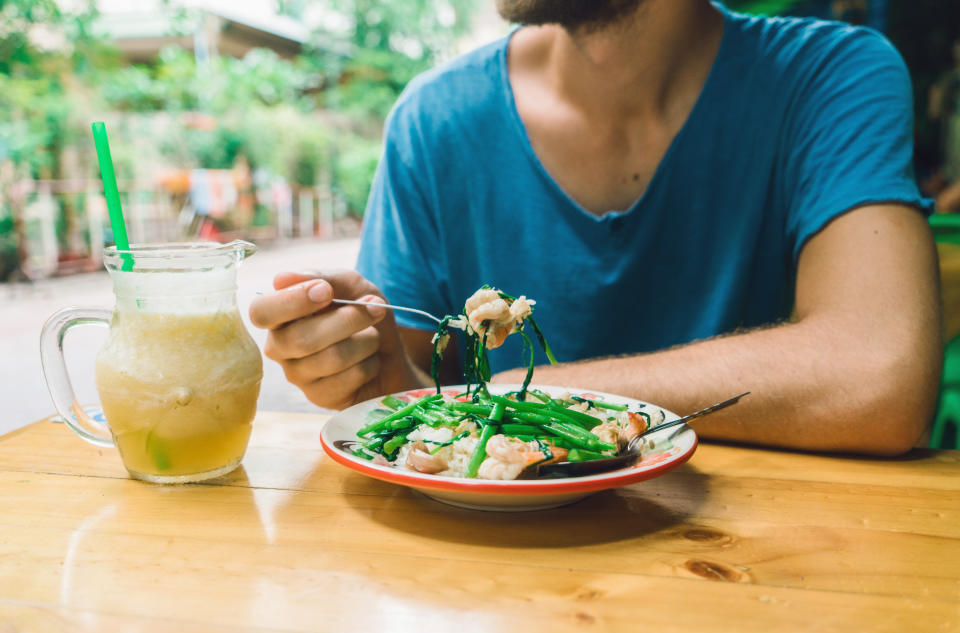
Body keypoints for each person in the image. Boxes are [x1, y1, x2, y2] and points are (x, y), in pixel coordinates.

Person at [249, 0, 942, 456]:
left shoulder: (830, 76)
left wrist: (520, 396)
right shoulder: (433, 120)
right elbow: (406, 398)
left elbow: (878, 378)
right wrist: (369, 375)